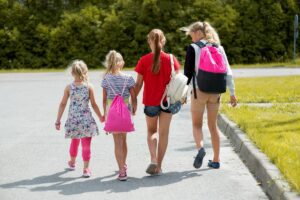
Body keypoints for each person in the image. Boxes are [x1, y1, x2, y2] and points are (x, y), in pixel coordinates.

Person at [182, 21, 237, 169]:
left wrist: (183, 94)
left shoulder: (193, 48)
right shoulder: (219, 47)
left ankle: (201, 149)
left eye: (191, 35)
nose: (191, 39)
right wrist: (232, 93)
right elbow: (228, 72)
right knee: (213, 126)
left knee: (196, 124)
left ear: (198, 33)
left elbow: (187, 75)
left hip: (199, 91)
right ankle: (216, 159)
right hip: (216, 92)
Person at [134, 29, 180, 175]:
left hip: (151, 102)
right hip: (168, 101)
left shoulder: (144, 60)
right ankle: (159, 166)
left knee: (152, 131)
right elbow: (178, 81)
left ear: (149, 41)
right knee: (164, 134)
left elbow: (138, 84)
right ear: (164, 41)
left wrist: (133, 100)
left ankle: (153, 159)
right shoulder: (171, 59)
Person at [55, 60, 104, 178]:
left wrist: (58, 120)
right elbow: (94, 104)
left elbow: (62, 104)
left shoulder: (69, 87)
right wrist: (101, 117)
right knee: (86, 144)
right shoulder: (89, 87)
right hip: (86, 120)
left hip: (73, 120)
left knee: (74, 141)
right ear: (85, 72)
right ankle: (86, 169)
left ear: (72, 73)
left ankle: (72, 162)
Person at [101, 50, 137, 181]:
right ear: (121, 63)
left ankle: (122, 170)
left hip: (112, 114)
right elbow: (133, 96)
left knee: (117, 142)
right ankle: (124, 165)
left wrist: (104, 115)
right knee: (124, 140)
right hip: (125, 113)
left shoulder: (106, 79)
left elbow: (104, 100)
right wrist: (134, 108)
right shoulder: (128, 78)